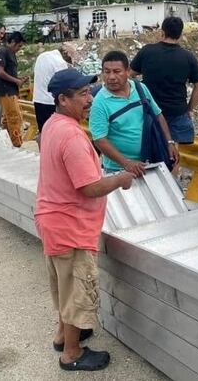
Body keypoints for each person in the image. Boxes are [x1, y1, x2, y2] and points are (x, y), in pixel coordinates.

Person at [35, 68, 135, 372]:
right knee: (78, 290)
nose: (89, 99)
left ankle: (62, 336)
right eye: (82, 94)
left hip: (54, 221)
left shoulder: (52, 124)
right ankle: (72, 353)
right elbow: (89, 187)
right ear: (63, 99)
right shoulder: (72, 136)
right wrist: (120, 178)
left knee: (65, 287)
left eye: (89, 92)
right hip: (70, 226)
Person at [89, 51, 178, 176]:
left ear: (127, 71)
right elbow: (99, 139)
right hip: (119, 170)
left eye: (117, 71)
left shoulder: (140, 88)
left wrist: (169, 142)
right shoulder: (99, 102)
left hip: (150, 162)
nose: (111, 77)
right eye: (107, 72)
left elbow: (158, 115)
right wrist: (126, 163)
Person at [131, 16, 198, 147]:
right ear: (180, 35)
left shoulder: (147, 51)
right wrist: (189, 108)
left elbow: (129, 75)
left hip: (150, 111)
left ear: (162, 32)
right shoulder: (187, 57)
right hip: (177, 112)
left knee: (151, 149)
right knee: (173, 151)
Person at [33, 44, 75, 135]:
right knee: (55, 133)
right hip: (50, 103)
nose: (68, 61)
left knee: (43, 132)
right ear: (65, 53)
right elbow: (63, 84)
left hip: (38, 99)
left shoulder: (42, 56)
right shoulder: (60, 62)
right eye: (70, 57)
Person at [0, 31, 28, 147]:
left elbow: (8, 72)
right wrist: (16, 81)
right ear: (13, 42)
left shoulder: (11, 53)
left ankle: (6, 141)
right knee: (14, 117)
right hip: (6, 91)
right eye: (19, 46)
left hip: (11, 90)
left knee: (7, 117)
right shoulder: (3, 52)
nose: (19, 49)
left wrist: (18, 79)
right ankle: (16, 142)